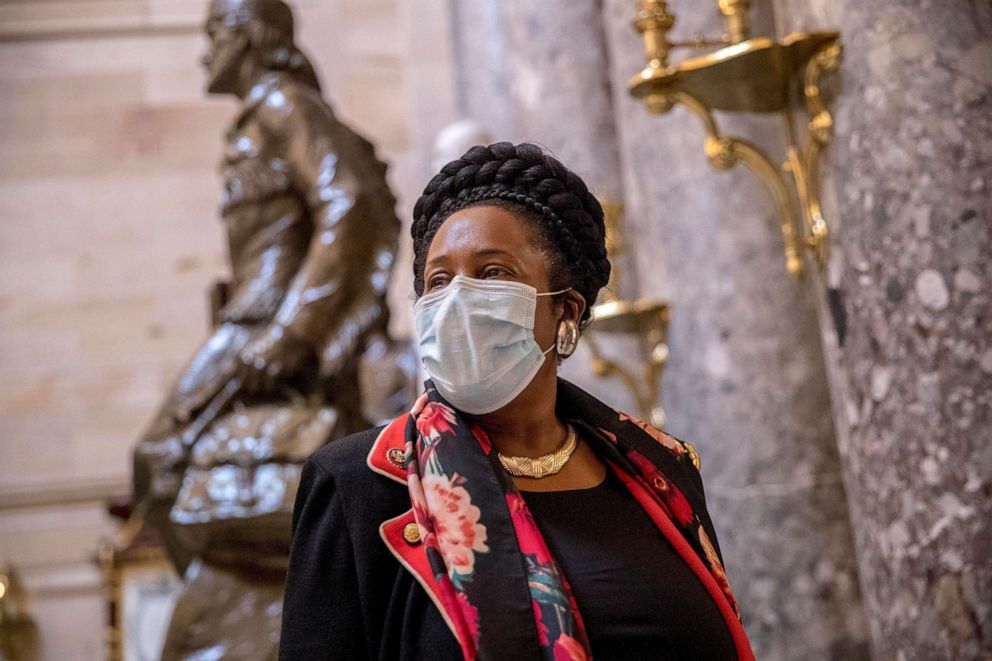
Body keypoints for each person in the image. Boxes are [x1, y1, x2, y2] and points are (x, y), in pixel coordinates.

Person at [279, 142, 756, 660]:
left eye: (492, 273)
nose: (457, 299)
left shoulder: (662, 469)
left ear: (565, 312)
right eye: (438, 281)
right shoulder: (358, 485)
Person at [132, 0, 402, 658]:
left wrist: (295, 330)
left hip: (266, 327)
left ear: (250, 37)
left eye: (215, 34)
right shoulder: (257, 120)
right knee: (160, 465)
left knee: (160, 456)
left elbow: (352, 202)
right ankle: (251, 603)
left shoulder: (285, 105)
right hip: (244, 321)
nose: (205, 52)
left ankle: (285, 605)